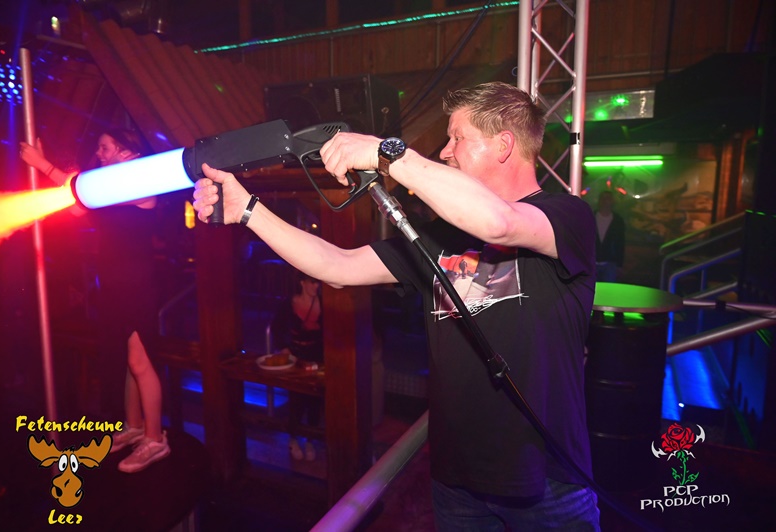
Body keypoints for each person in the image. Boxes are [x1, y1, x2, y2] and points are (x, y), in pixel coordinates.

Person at [193, 81, 600, 530]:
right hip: (457, 482)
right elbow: (338, 266)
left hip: (547, 483)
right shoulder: (440, 237)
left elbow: (500, 223)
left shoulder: (567, 217)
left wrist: (386, 153)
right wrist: (248, 210)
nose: (445, 151)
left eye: (457, 138)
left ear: (503, 145)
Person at [20, 129, 170, 474]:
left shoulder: (141, 182)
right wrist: (47, 170)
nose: (99, 153)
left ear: (126, 151)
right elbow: (75, 205)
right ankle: (135, 427)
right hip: (115, 286)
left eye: (105, 147)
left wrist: (43, 165)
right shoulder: (104, 188)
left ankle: (155, 439)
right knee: (130, 360)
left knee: (141, 361)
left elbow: (89, 192)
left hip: (136, 286)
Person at [270, 270, 323, 461]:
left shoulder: (324, 304)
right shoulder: (289, 303)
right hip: (296, 356)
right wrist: (284, 348)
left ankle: (310, 440)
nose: (316, 286)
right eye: (312, 282)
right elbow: (276, 327)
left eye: (317, 282)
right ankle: (293, 439)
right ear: (302, 282)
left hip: (317, 356)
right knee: (296, 399)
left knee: (315, 400)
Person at [595, 190, 625, 282]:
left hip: (610, 263)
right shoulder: (590, 216)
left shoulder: (618, 221)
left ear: (612, 201)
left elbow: (620, 243)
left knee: (608, 289)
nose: (605, 201)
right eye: (603, 198)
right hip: (591, 262)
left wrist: (619, 265)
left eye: (608, 198)